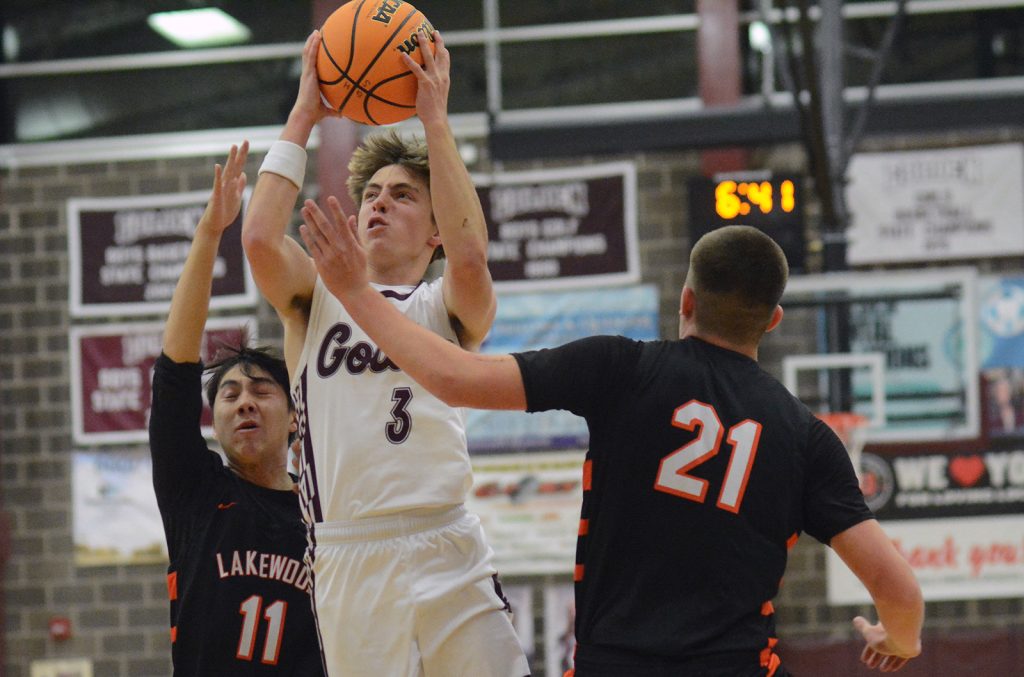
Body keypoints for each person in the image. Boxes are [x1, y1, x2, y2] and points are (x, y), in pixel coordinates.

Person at [296, 216, 925, 676]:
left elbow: (454, 378)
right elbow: (898, 591)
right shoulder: (805, 437)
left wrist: (355, 294)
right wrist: (899, 640)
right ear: (773, 320)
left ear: (686, 300)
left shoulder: (623, 367)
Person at [241, 28, 528, 676]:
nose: (378, 204)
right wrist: (304, 113)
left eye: (402, 195)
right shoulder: (315, 299)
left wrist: (435, 121)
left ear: (434, 230)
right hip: (350, 549)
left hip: (447, 537)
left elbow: (471, 256)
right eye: (371, 194)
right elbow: (258, 239)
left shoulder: (445, 306)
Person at [149, 142, 325, 676]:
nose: (244, 401)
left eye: (261, 391)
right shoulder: (196, 491)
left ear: (295, 417)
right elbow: (175, 373)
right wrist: (209, 234)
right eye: (229, 395)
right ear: (216, 422)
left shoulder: (326, 512)